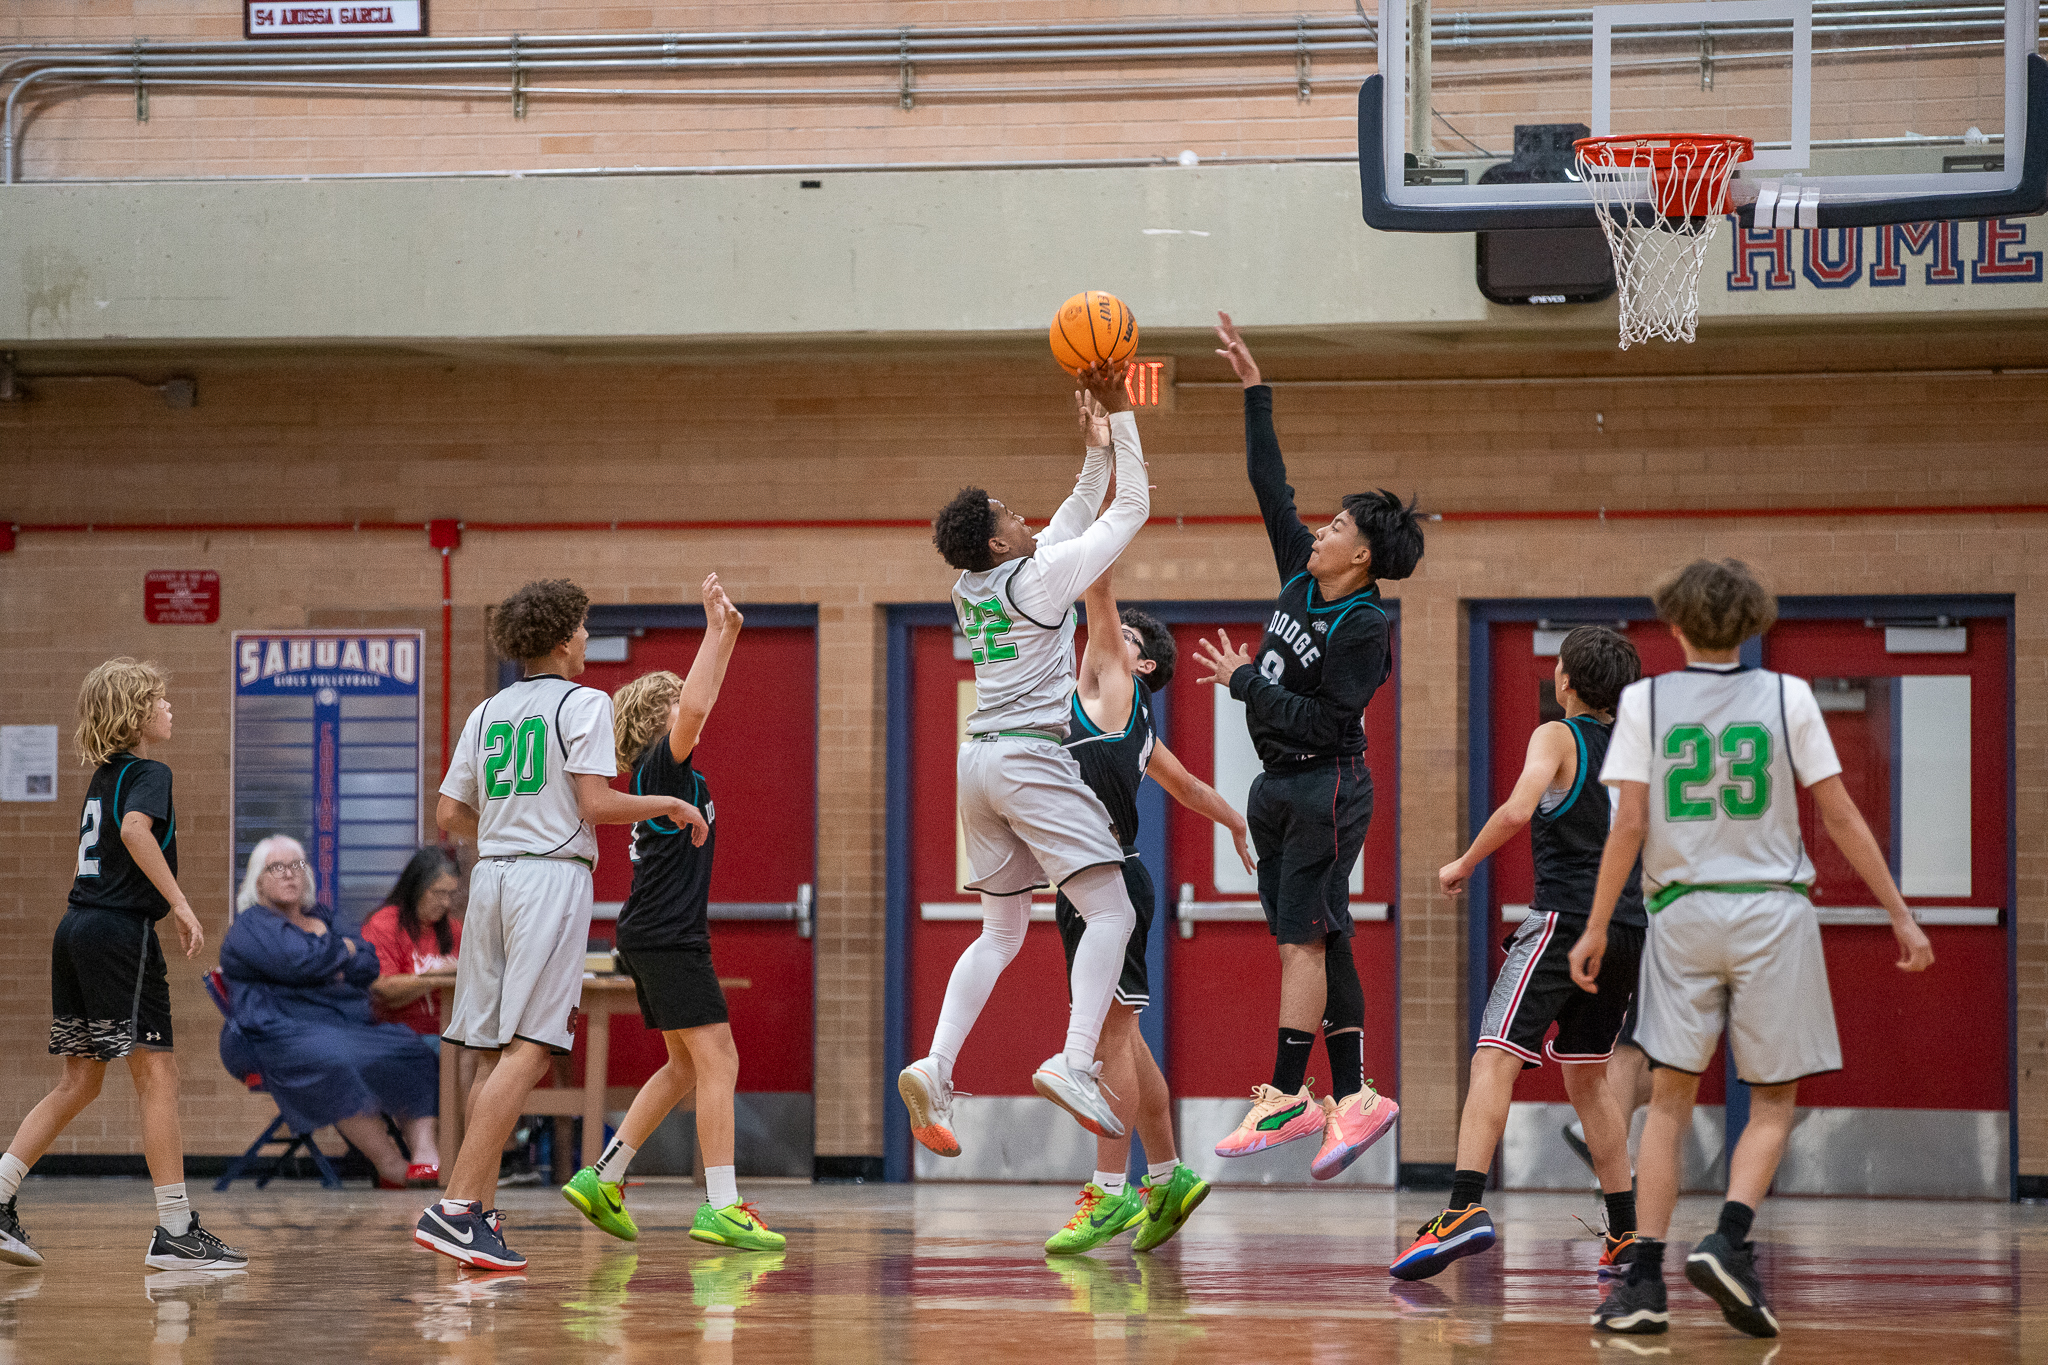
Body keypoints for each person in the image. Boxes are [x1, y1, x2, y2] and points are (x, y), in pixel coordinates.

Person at [1571, 558, 1936, 1338]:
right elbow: (1838, 813)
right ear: (1752, 625)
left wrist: (1599, 923)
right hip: (1774, 913)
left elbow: (1628, 825)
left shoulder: (1644, 699)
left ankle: (1641, 1280)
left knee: (1668, 1101)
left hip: (1681, 912)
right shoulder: (1787, 695)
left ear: (1674, 625)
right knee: (1772, 1098)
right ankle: (1730, 1238)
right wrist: (1899, 912)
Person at [416, 578, 708, 1272]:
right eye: (581, 627)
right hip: (549, 878)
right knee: (532, 1048)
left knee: (490, 1052)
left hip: (490, 878)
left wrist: (512, 824)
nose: (585, 637)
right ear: (559, 637)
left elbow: (449, 816)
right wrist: (668, 800)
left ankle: (476, 1212)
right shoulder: (584, 703)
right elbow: (595, 802)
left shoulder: (487, 711)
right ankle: (456, 1207)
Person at [898, 362, 1150, 1155]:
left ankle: (937, 1065)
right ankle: (1074, 1061)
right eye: (1011, 512)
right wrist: (1124, 411)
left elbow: (1072, 515)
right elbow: (1131, 509)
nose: (1024, 514)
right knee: (1113, 908)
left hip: (976, 762)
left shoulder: (971, 588)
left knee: (1002, 930)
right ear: (1000, 539)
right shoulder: (1040, 578)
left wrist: (1094, 450)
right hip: (1030, 757)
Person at [1196, 313, 1421, 1175]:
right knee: (1324, 938)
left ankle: (1292, 1094)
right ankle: (1357, 1093)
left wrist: (1248, 683)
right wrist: (1256, 390)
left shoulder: (1363, 623)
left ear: (1362, 554)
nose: (1318, 528)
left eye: (1336, 526)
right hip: (1276, 785)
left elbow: (1331, 723)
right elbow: (1268, 485)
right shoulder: (1300, 571)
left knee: (1304, 943)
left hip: (1326, 782)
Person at [1391, 626, 1646, 1281]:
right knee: (1589, 1077)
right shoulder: (1635, 747)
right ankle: (1625, 1233)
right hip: (1627, 927)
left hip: (1563, 920)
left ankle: (1463, 1206)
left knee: (1494, 1055)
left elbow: (1516, 808)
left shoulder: (1556, 736)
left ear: (1564, 679)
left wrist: (1465, 862)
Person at [561, 574, 786, 1253]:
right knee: (721, 1060)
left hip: (654, 932)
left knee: (686, 1066)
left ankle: (605, 1175)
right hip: (666, 935)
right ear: (661, 718)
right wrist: (715, 633)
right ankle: (722, 1204)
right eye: (682, 707)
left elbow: (697, 702)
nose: (698, 713)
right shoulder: (662, 766)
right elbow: (693, 708)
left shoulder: (670, 777)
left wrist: (731, 634)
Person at [0, 658, 246, 1272]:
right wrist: (181, 904)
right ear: (136, 714)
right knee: (157, 1078)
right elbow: (136, 831)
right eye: (161, 700)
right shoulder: (148, 773)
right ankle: (175, 1229)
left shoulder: (104, 777)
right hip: (118, 934)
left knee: (79, 1080)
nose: (171, 709)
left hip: (74, 929)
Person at [1044, 554, 1257, 1255]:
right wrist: (1234, 821)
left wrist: (1109, 482)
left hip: (1106, 886)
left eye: (1125, 639)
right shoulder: (1137, 725)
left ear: (1140, 668)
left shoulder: (1111, 693)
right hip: (1099, 883)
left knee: (1105, 1043)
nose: (1109, 636)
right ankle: (1165, 1175)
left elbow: (1097, 585)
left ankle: (1109, 1192)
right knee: (1125, 1038)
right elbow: (1192, 787)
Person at [220, 835, 441, 1188]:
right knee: (334, 1058)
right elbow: (297, 964)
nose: (289, 874)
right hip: (272, 1034)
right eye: (276, 868)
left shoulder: (323, 917)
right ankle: (390, 1165)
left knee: (409, 1046)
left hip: (340, 1027)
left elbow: (368, 963)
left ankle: (426, 1154)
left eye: (296, 866)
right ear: (257, 880)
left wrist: (333, 957)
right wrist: (343, 953)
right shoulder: (250, 927)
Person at [361, 847, 464, 1042]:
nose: (445, 903)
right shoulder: (385, 923)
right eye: (439, 893)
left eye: (451, 894)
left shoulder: (454, 928)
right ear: (416, 887)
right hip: (400, 1036)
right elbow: (382, 990)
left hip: (449, 1032)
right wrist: (436, 978)